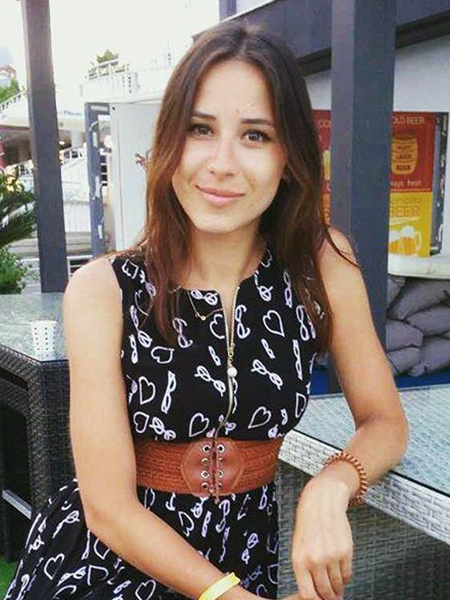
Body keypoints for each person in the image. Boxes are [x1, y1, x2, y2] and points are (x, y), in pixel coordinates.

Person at [4, 19, 409, 600]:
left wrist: (332, 484)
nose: (222, 162)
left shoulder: (321, 264)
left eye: (255, 135)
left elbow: (385, 421)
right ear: (170, 141)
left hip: (243, 559)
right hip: (108, 567)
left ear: (290, 155)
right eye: (200, 129)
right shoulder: (103, 289)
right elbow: (109, 508)